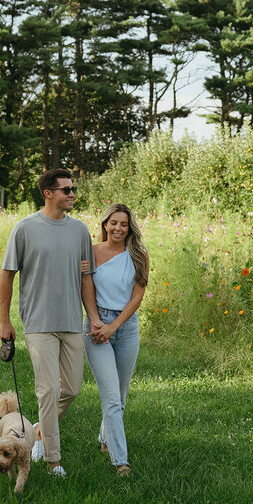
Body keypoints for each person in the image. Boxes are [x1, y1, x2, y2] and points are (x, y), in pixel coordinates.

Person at [0, 168, 102, 478]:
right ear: (48, 193)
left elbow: (86, 278)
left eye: (72, 189)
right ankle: (54, 460)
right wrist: (4, 321)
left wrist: (93, 317)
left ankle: (39, 431)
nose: (72, 194)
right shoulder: (25, 229)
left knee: (70, 387)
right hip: (38, 322)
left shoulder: (80, 231)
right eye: (66, 189)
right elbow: (7, 276)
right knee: (48, 390)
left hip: (71, 320)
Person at [82, 203, 149, 476]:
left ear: (129, 227)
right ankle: (121, 461)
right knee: (110, 398)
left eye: (123, 224)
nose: (118, 228)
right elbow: (86, 288)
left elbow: (137, 297)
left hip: (126, 328)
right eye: (113, 223)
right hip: (96, 326)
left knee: (119, 396)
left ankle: (104, 439)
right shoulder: (92, 253)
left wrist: (115, 326)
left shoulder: (139, 255)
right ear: (105, 224)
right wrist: (98, 322)